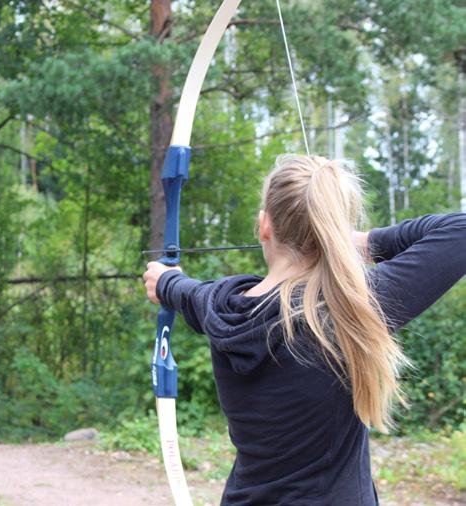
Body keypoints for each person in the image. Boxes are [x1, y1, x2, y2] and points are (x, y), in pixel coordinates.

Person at [142, 154, 466, 506]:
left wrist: (166, 280)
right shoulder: (348, 309)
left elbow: (181, 289)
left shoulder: (220, 306)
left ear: (264, 225)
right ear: (330, 228)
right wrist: (360, 242)